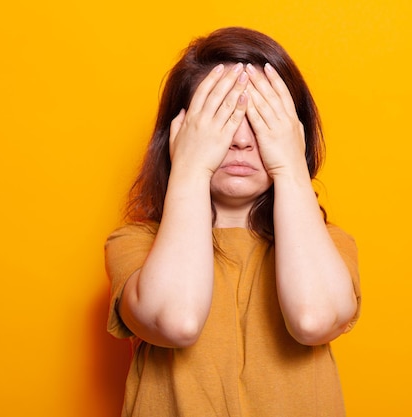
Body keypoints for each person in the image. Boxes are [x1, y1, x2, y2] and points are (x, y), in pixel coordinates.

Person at [105, 26, 361, 417]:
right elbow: (176, 321)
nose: (241, 140)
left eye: (261, 119)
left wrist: (289, 167)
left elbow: (314, 319)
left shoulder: (329, 246)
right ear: (180, 132)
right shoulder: (134, 244)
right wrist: (190, 167)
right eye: (222, 118)